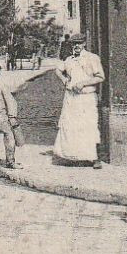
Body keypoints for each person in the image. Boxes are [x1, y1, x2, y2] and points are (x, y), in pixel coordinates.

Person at [51, 31, 104, 167]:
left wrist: (83, 83)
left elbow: (100, 77)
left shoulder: (92, 58)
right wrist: (64, 80)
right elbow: (57, 70)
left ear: (84, 44)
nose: (76, 46)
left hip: (86, 97)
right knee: (71, 126)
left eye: (79, 43)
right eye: (74, 44)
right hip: (71, 98)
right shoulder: (69, 60)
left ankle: (94, 158)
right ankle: (74, 157)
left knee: (88, 126)